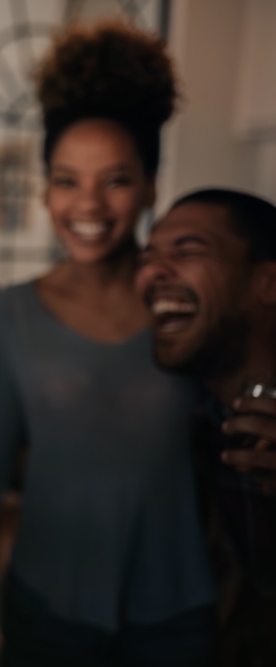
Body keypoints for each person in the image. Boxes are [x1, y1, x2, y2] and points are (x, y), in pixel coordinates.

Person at [0, 22, 217, 666]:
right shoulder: (14, 312)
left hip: (178, 615)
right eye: (67, 179)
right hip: (45, 611)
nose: (89, 204)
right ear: (47, 187)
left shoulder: (186, 305)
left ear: (151, 186)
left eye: (116, 179)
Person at [137, 188, 276, 666]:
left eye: (189, 251)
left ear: (269, 284)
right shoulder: (196, 417)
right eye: (149, 255)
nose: (152, 273)